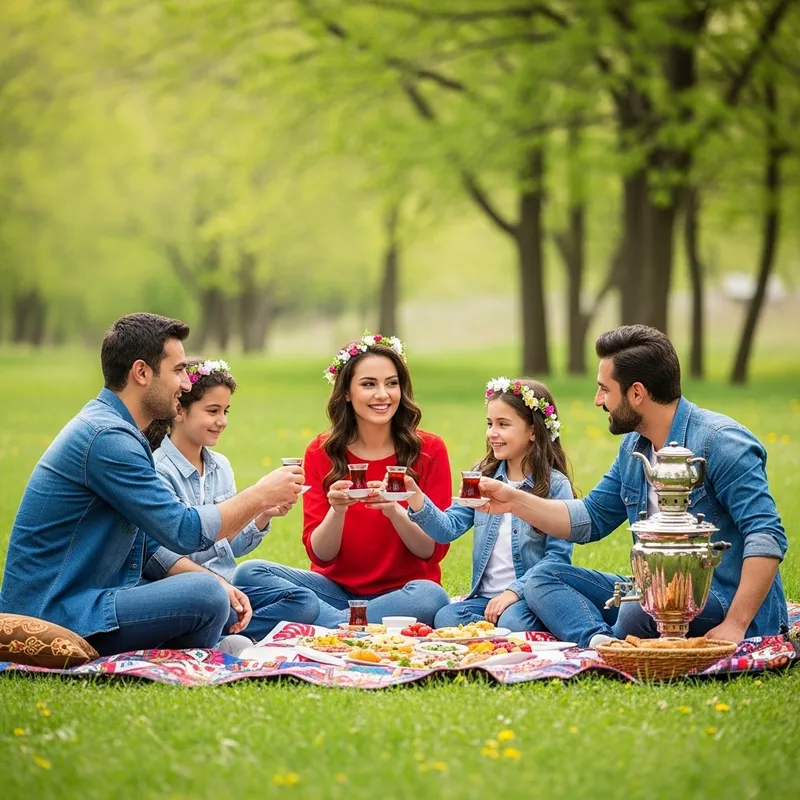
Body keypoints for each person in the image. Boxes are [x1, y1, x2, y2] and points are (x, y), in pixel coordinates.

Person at [0, 313, 303, 656]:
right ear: (141, 373)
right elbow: (184, 531)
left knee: (210, 590)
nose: (186, 384)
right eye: (177, 371)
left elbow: (146, 545)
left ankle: (202, 645)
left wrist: (216, 579)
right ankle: (206, 648)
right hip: (55, 610)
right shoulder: (107, 437)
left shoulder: (119, 430)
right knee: (205, 596)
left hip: (89, 596)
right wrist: (260, 495)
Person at [480, 325, 788, 648]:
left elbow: (766, 535)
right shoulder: (633, 448)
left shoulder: (720, 442)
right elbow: (590, 517)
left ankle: (618, 633)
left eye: (604, 389)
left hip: (720, 597)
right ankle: (601, 643)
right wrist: (513, 500)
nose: (598, 400)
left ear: (636, 393)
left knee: (634, 614)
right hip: (653, 590)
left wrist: (736, 625)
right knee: (544, 579)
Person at [257, 333, 452, 626]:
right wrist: (337, 510)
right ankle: (352, 621)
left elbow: (432, 551)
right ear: (346, 392)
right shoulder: (321, 452)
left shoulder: (429, 450)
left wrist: (394, 510)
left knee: (432, 598)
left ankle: (328, 623)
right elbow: (320, 556)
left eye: (392, 383)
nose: (383, 395)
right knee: (252, 573)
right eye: (368, 384)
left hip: (405, 592)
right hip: (334, 592)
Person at [143, 358, 324, 643]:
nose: (222, 421)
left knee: (304, 602)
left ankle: (222, 635)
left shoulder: (221, 466)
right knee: (223, 608)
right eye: (213, 411)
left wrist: (263, 512)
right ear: (179, 410)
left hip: (229, 585)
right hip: (190, 590)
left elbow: (230, 546)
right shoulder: (157, 469)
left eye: (225, 411)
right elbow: (161, 556)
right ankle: (222, 633)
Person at [405, 378, 574, 631]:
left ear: (533, 431)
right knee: (447, 618)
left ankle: (506, 628)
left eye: (503, 424)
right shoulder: (481, 477)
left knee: (513, 620)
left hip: (526, 598)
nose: (492, 433)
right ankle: (496, 632)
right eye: (490, 423)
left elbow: (557, 558)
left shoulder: (555, 487)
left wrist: (513, 593)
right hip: (483, 600)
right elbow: (447, 530)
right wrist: (416, 497)